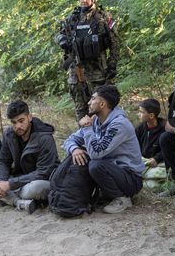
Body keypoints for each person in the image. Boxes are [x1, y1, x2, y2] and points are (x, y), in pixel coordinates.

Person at [62, 85, 145, 214]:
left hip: (130, 178)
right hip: (113, 170)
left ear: (102, 104)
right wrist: (74, 149)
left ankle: (122, 199)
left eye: (93, 99)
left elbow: (96, 153)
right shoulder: (96, 121)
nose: (89, 102)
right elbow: (69, 141)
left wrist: (87, 128)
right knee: (79, 156)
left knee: (95, 165)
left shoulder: (119, 124)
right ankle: (105, 194)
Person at [0, 100, 59, 213]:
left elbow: (44, 172)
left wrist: (10, 184)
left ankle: (4, 196)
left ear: (29, 117)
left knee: (33, 189)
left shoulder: (45, 138)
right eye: (14, 122)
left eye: (21, 121)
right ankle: (18, 202)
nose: (18, 126)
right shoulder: (9, 134)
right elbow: (3, 161)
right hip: (18, 179)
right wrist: (0, 182)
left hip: (40, 180)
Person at [55, 0, 120, 120]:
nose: (83, 0)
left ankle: (105, 131)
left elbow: (114, 42)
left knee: (102, 108)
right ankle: (84, 132)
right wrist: (62, 40)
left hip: (97, 71)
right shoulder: (72, 18)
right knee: (80, 108)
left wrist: (112, 64)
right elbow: (60, 34)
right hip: (76, 70)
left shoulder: (103, 17)